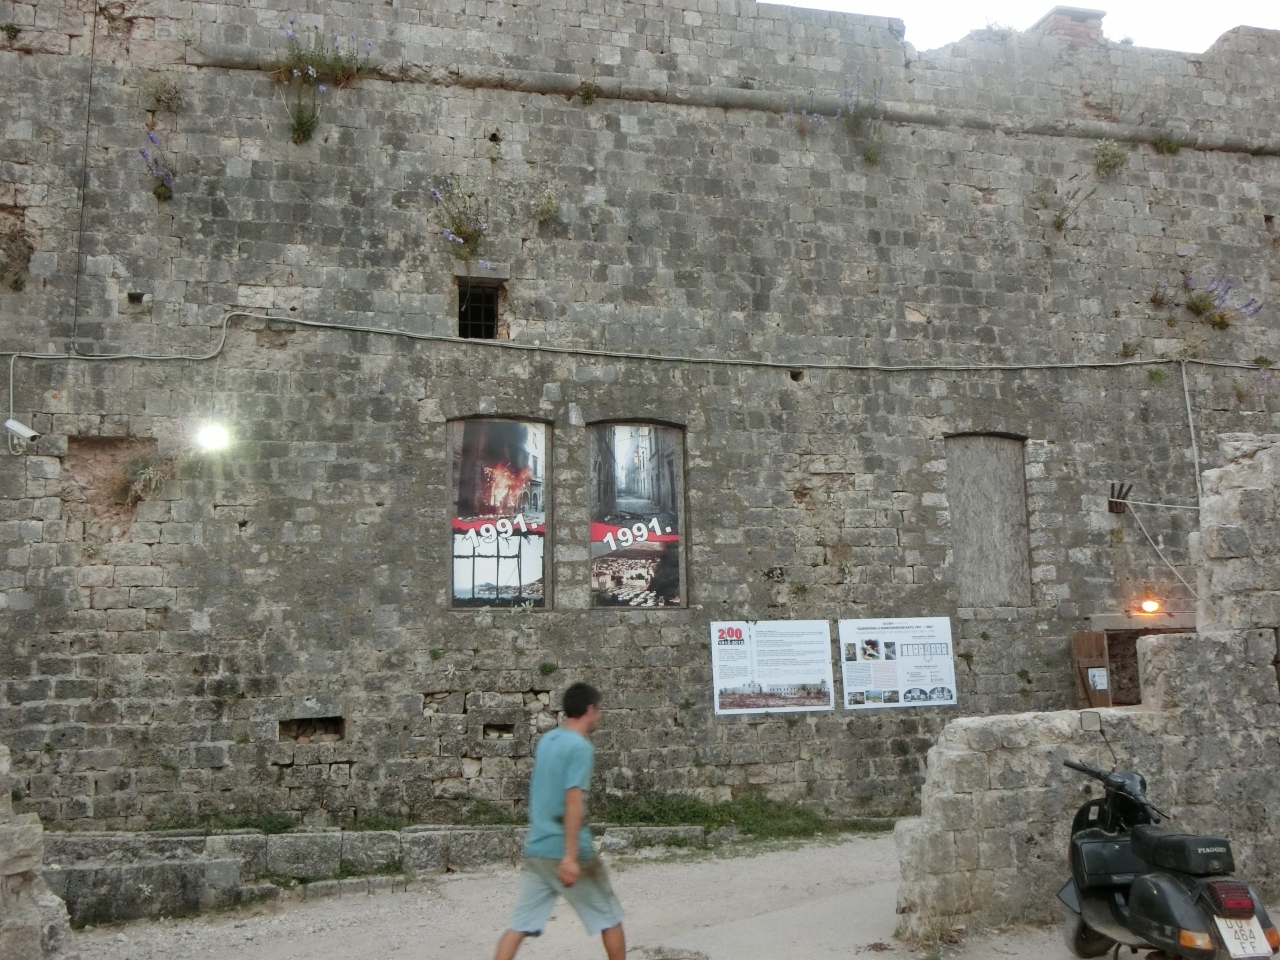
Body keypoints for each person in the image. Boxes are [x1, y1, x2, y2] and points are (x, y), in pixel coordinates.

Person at [493, 682, 626, 960]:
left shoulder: (548, 741)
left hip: (538, 846)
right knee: (609, 917)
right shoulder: (580, 748)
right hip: (567, 849)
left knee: (519, 925)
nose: (599, 715)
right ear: (590, 709)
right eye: (598, 709)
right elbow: (573, 801)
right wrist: (570, 856)